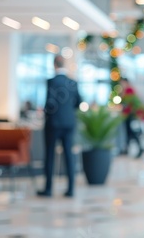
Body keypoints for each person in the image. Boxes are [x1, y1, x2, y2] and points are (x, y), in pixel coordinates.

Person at [37, 55, 82, 198]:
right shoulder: (73, 82)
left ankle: (48, 189)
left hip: (53, 123)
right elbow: (79, 102)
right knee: (69, 155)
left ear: (54, 65)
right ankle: (71, 189)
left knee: (50, 155)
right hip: (69, 123)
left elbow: (49, 103)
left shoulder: (51, 82)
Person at [120, 78, 144, 158]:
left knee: (132, 132)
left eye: (122, 83)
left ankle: (140, 148)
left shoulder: (129, 90)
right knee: (128, 132)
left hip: (130, 115)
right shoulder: (125, 90)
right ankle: (127, 149)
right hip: (127, 115)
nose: (121, 84)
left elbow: (130, 104)